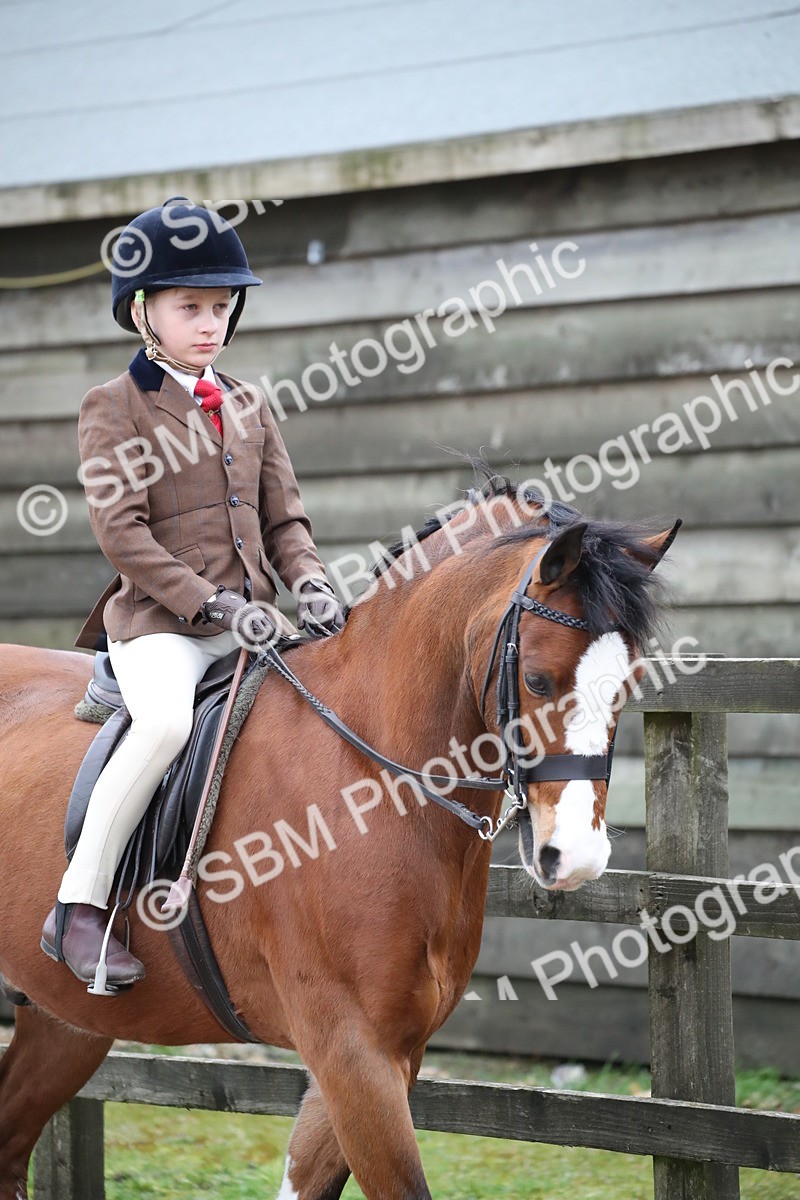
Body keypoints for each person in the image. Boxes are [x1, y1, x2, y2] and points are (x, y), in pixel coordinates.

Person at [41, 198, 344, 994]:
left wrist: (308, 579)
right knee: (168, 722)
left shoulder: (248, 403)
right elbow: (123, 535)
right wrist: (215, 605)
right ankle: (80, 907)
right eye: (190, 308)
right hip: (162, 628)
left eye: (220, 307)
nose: (209, 323)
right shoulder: (114, 406)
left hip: (255, 622)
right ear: (143, 311)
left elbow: (287, 518)